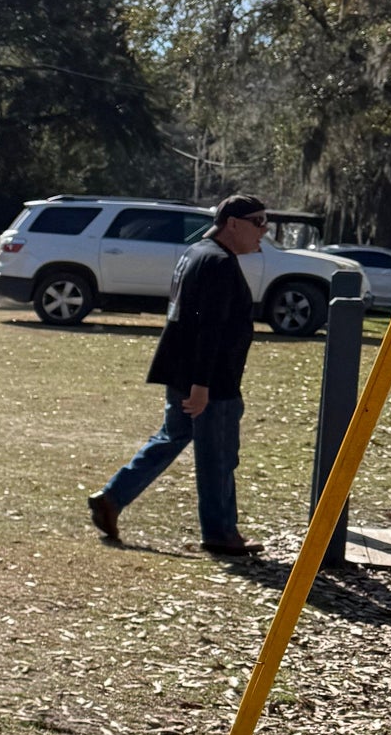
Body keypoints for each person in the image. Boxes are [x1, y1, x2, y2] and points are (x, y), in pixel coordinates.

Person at [88, 193, 270, 556]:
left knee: (172, 438)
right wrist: (201, 386)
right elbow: (208, 330)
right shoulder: (216, 262)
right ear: (233, 224)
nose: (264, 231)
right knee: (218, 456)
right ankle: (220, 533)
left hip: (185, 373)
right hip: (210, 382)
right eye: (258, 222)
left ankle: (112, 497)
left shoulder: (195, 253)